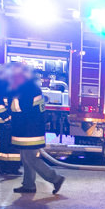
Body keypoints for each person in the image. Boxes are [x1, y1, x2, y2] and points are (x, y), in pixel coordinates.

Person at [9, 64, 66, 194]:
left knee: (30, 158)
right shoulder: (30, 87)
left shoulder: (26, 89)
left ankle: (55, 179)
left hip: (29, 130)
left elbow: (22, 109)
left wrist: (11, 111)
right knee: (26, 157)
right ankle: (29, 185)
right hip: (30, 129)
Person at [0, 65, 21, 176]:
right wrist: (7, 119)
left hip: (7, 120)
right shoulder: (0, 86)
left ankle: (8, 168)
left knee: (8, 146)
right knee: (7, 145)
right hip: (3, 121)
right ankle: (7, 168)